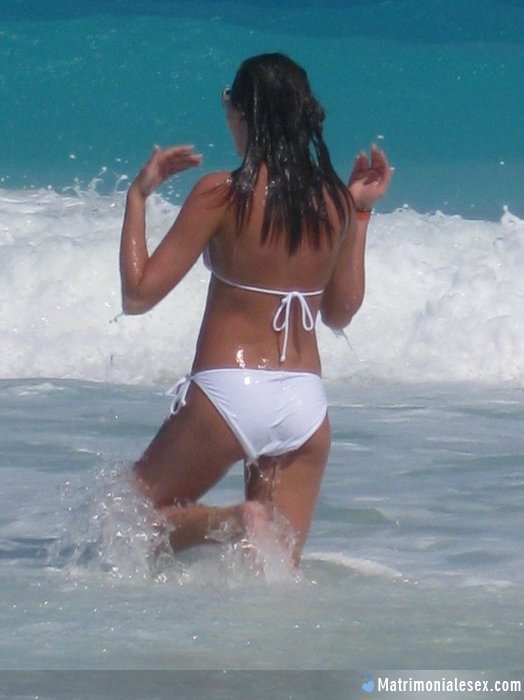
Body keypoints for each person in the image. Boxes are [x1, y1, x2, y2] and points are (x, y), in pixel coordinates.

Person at [120, 53, 392, 565]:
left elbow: (137, 294)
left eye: (228, 100)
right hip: (305, 404)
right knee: (271, 577)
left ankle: (229, 520)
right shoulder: (336, 202)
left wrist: (138, 195)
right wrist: (359, 211)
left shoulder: (222, 193)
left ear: (244, 113)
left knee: (124, 520)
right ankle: (245, 535)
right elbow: (340, 312)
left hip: (229, 393)